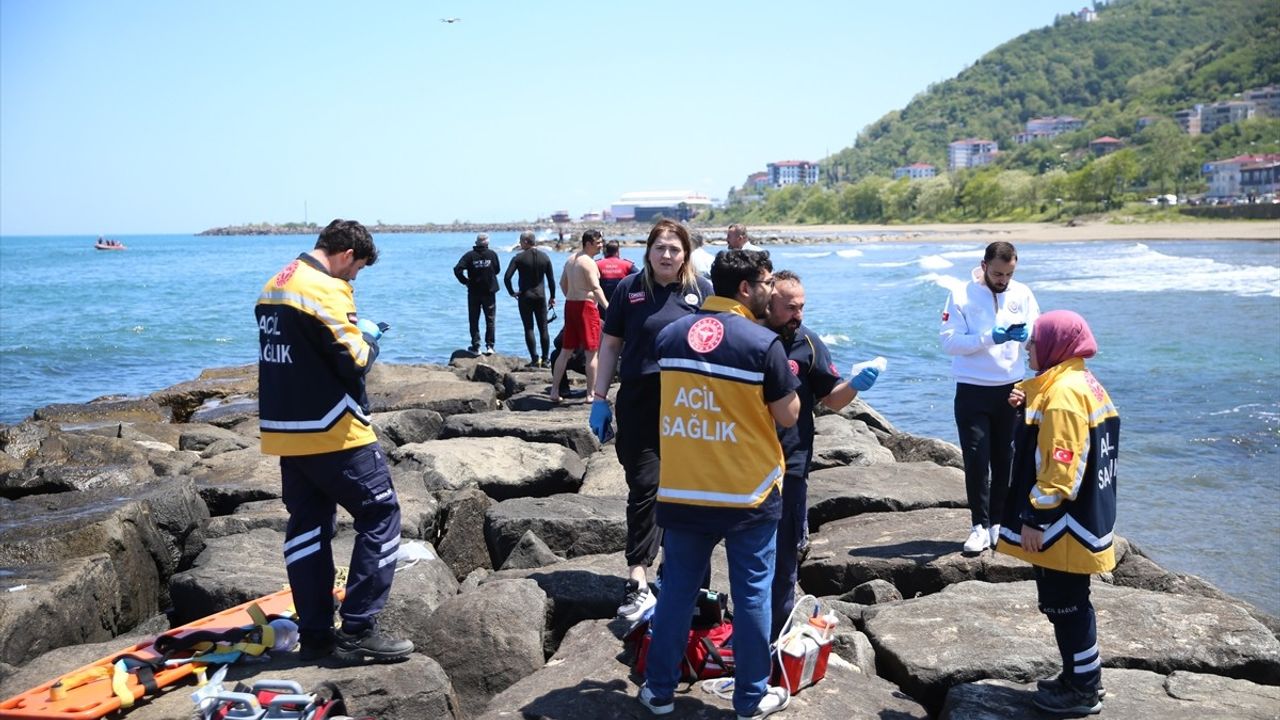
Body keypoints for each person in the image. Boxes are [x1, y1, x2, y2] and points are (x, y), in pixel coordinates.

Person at [637, 248, 800, 720]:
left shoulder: (669, 336)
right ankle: (750, 697)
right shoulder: (762, 343)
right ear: (746, 289)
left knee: (677, 593)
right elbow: (787, 415)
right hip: (747, 491)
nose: (772, 292)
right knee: (752, 592)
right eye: (766, 284)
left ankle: (660, 691)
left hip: (685, 488)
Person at [255, 219, 413, 663]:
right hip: (335, 429)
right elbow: (354, 360)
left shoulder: (276, 282)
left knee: (307, 527)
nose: (354, 278)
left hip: (286, 429)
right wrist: (369, 337)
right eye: (357, 269)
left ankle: (317, 633)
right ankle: (359, 628)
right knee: (380, 514)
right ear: (346, 255)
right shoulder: (326, 287)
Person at [995, 310, 1118, 716]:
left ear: (1054, 345)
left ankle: (1083, 689)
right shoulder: (1079, 383)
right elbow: (1050, 439)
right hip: (1085, 519)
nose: (1028, 347)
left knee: (1065, 606)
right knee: (1071, 604)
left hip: (1064, 526)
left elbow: (1061, 467)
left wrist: (1037, 519)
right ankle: (1080, 678)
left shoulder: (1064, 394)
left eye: (1033, 341)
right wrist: (1028, 400)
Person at [588, 219, 712, 621]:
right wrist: (599, 397)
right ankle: (637, 580)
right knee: (645, 487)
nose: (667, 255)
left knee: (688, 491)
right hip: (640, 400)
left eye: (675, 249)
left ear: (686, 253)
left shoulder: (703, 290)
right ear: (649, 250)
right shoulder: (630, 289)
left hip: (688, 402)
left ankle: (683, 576)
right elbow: (610, 345)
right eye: (660, 247)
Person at [764, 270, 882, 641]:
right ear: (768, 303)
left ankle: (777, 633)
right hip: (744, 462)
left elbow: (832, 399)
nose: (797, 314)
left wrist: (855, 385)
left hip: (792, 464)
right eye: (789, 307)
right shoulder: (751, 336)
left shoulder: (808, 343)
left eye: (801, 306)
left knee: (785, 559)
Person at [939, 241, 1039, 554]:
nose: (1003, 279)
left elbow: (1038, 330)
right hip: (971, 388)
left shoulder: (1022, 293)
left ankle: (998, 522)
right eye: (998, 273)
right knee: (977, 459)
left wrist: (1028, 336)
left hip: (1011, 387)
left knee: (1005, 460)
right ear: (984, 265)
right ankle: (978, 526)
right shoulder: (960, 294)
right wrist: (988, 338)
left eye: (1009, 273)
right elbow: (949, 342)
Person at [548, 230, 609, 403]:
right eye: (598, 242)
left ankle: (554, 391)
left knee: (565, 351)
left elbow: (562, 283)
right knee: (592, 352)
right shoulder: (588, 262)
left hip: (571, 306)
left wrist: (572, 296)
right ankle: (591, 394)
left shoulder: (571, 260)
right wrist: (608, 307)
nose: (601, 245)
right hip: (586, 308)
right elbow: (596, 287)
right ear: (588, 243)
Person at [504, 231, 557, 367]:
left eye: (521, 242)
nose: (520, 244)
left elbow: (507, 278)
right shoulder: (545, 257)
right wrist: (552, 296)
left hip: (525, 297)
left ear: (526, 242)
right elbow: (551, 280)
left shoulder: (518, 258)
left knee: (529, 328)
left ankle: (534, 359)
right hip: (541, 296)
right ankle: (545, 360)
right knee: (543, 328)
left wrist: (512, 292)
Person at [453, 233, 500, 354]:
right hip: (489, 291)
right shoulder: (492, 254)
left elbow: (457, 269)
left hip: (474, 291)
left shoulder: (469, 256)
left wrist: (465, 281)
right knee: (490, 319)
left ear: (476, 243)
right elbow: (497, 270)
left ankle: (476, 346)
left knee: (474, 319)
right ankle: (490, 346)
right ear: (487, 243)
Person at [596, 238, 639, 306]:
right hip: (622, 304)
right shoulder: (627, 265)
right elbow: (641, 277)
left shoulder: (597, 264)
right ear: (617, 251)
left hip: (602, 305)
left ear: (606, 251)